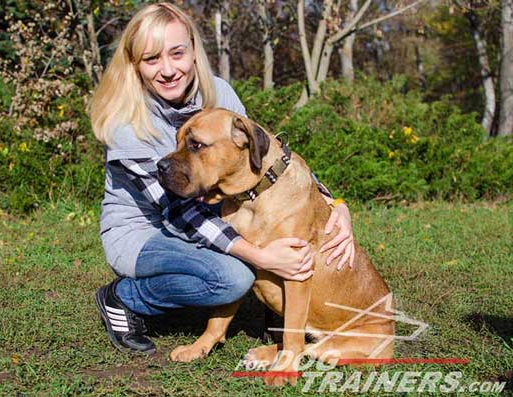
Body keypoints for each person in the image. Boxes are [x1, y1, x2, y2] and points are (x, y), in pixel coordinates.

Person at [90, 2, 355, 355]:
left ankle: (271, 316)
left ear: (194, 52)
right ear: (135, 65)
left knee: (250, 255)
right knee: (232, 277)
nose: (168, 69)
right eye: (152, 59)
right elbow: (178, 212)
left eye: (177, 53)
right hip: (143, 232)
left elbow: (267, 158)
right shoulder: (126, 124)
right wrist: (261, 256)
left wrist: (332, 202)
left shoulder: (218, 92)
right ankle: (123, 298)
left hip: (207, 215)